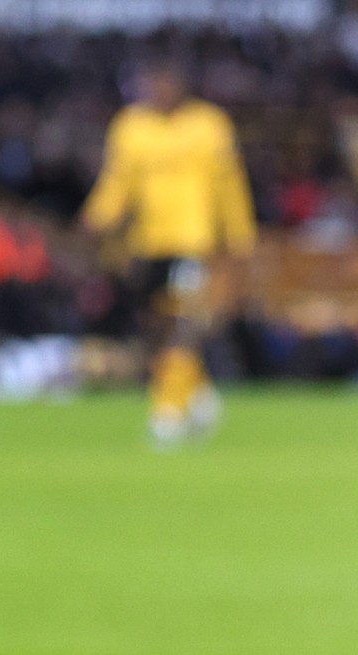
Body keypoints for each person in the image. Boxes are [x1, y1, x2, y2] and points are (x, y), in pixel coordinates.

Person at [83, 58, 254, 447]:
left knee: (183, 326)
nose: (156, 89)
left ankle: (168, 413)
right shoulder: (130, 127)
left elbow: (229, 185)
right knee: (156, 331)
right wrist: (96, 217)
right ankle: (197, 395)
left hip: (195, 241)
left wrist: (240, 236)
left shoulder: (209, 126)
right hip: (147, 244)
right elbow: (117, 181)